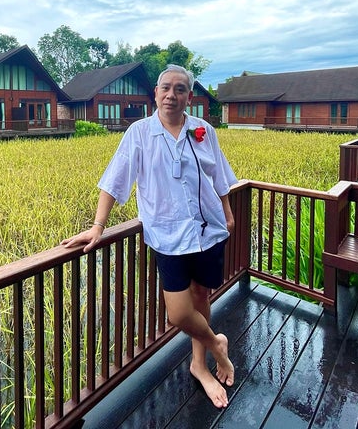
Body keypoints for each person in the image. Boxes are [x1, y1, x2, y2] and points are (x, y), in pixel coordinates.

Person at [61, 64, 237, 409]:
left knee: (202, 294)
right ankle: (217, 344)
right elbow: (115, 180)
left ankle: (199, 364)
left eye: (180, 89)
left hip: (207, 229)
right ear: (155, 94)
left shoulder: (203, 130)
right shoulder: (139, 133)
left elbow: (218, 176)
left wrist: (228, 213)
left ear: (189, 96)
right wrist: (98, 225)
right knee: (178, 314)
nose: (172, 95)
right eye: (165, 88)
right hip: (167, 235)